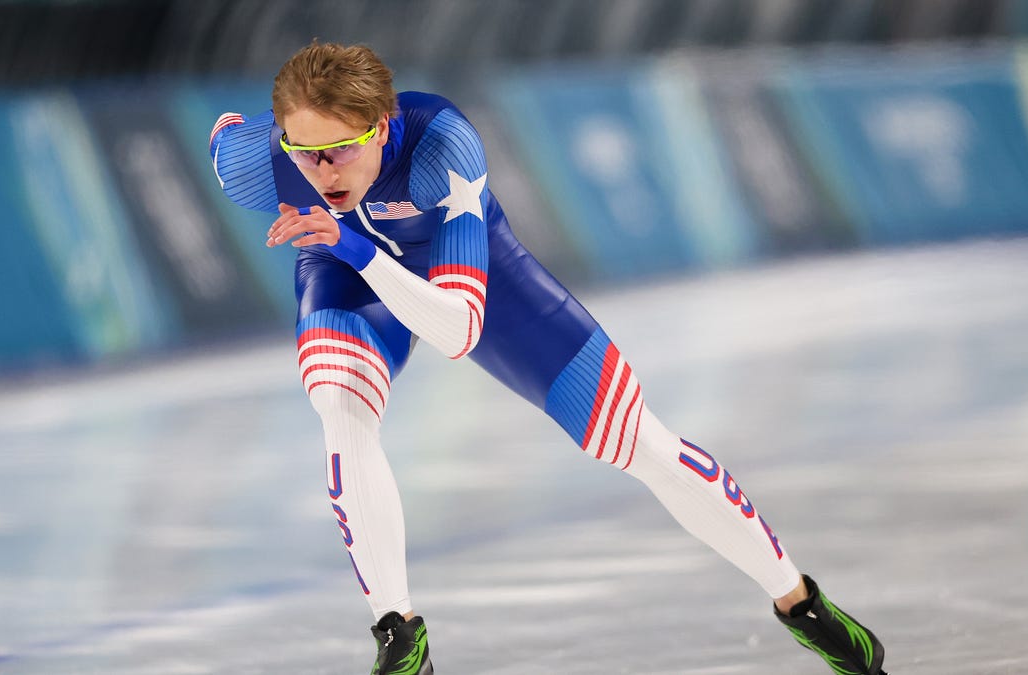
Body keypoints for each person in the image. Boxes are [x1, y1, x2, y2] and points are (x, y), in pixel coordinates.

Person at [208, 40, 887, 675]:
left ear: (381, 127)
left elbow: (458, 330)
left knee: (638, 442)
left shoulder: (440, 146)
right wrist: (343, 247)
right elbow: (225, 133)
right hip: (344, 272)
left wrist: (355, 245)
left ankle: (801, 603)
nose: (320, 171)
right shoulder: (255, 160)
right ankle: (399, 633)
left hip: (468, 285)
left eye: (340, 152)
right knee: (341, 405)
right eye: (303, 154)